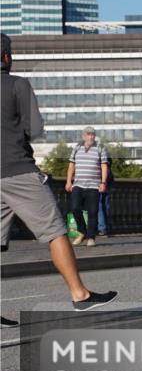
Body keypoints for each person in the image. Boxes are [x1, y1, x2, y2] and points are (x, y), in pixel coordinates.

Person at [0, 33, 117, 325]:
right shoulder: (17, 84)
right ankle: (79, 294)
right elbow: (36, 128)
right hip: (17, 170)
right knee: (55, 230)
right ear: (6, 57)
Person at [65, 126, 109, 247]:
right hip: (78, 184)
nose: (91, 137)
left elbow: (104, 166)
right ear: (83, 136)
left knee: (93, 212)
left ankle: (91, 237)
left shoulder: (100, 148)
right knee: (74, 208)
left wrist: (103, 182)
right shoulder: (77, 148)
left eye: (93, 134)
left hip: (94, 186)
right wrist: (69, 181)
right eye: (89, 134)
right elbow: (71, 165)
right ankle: (82, 231)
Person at [97, 144, 113, 236]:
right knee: (105, 206)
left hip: (101, 183)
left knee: (99, 206)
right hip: (108, 182)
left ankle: (102, 228)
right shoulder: (107, 156)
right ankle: (106, 227)